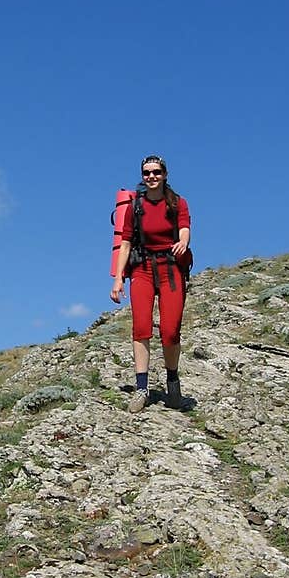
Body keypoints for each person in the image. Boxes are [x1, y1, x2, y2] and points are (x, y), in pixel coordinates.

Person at [110, 155, 191, 413]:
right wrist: (118, 278)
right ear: (142, 176)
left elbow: (185, 228)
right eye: (147, 173)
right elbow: (125, 243)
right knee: (141, 327)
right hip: (142, 269)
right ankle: (141, 389)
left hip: (170, 268)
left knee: (170, 331)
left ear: (165, 174)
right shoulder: (136, 207)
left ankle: (172, 381)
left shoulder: (177, 203)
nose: (151, 176)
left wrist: (183, 242)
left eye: (156, 172)